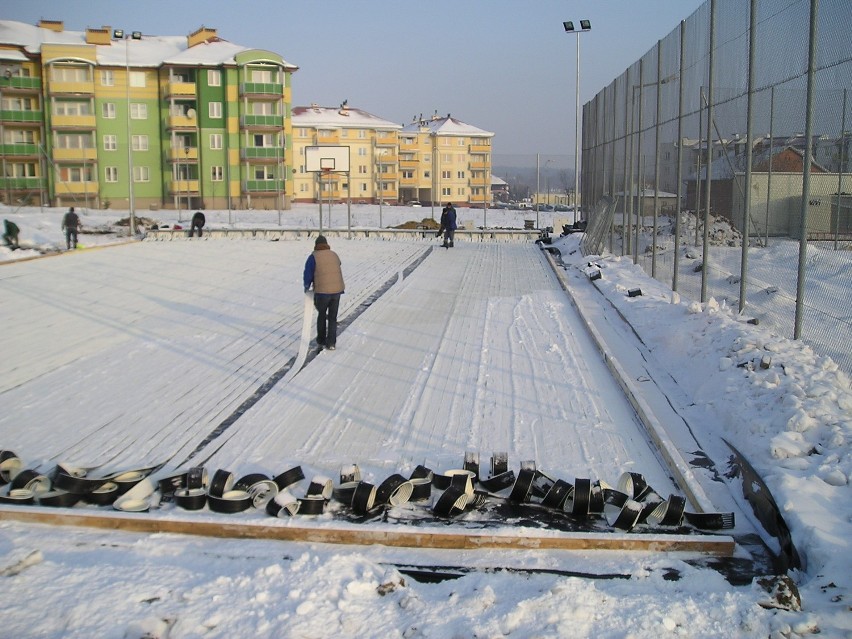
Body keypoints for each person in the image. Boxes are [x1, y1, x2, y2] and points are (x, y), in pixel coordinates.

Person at [303, 235, 345, 351]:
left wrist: (307, 286)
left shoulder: (313, 257)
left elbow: (308, 274)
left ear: (316, 245)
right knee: (332, 317)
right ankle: (331, 343)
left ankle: (321, 340)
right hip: (337, 290)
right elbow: (338, 264)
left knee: (321, 315)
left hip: (322, 292)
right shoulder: (334, 254)